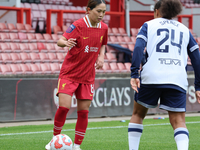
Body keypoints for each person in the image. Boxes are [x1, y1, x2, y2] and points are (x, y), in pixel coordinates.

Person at [128, 0, 200, 150]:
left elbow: (138, 48)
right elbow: (196, 58)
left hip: (151, 76)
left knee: (138, 114)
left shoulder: (149, 25)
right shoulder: (185, 29)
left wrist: (134, 73)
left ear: (156, 11)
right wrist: (198, 86)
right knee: (179, 121)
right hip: (177, 78)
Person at [45, 0, 107, 150]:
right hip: (69, 74)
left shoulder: (104, 27)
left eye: (104, 12)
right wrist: (65, 43)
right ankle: (54, 140)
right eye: (98, 11)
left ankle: (77, 146)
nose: (101, 15)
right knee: (64, 108)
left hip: (87, 76)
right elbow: (61, 40)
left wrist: (101, 56)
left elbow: (103, 43)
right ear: (88, 10)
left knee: (84, 112)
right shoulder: (78, 25)